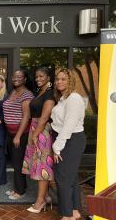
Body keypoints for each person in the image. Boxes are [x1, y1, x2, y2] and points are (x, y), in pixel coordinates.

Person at [51, 69, 86, 220]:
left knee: (63, 178)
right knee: (70, 178)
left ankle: (67, 214)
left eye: (63, 79)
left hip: (70, 141)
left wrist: (56, 147)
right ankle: (75, 211)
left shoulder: (74, 98)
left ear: (70, 80)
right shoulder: (63, 98)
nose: (59, 82)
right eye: (58, 79)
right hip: (65, 139)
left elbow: (68, 126)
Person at [22, 67, 55, 212]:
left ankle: (40, 201)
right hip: (35, 129)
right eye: (36, 77)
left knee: (43, 167)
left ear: (48, 77)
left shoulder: (50, 94)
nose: (38, 79)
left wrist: (35, 135)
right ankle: (46, 197)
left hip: (42, 131)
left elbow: (44, 118)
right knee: (37, 164)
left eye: (41, 76)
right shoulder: (40, 92)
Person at [3, 70, 34, 200]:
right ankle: (19, 187)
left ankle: (20, 192)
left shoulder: (26, 94)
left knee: (17, 163)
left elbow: (26, 116)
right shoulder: (14, 92)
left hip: (20, 134)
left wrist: (18, 136)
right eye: (14, 76)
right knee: (15, 162)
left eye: (20, 76)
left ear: (25, 79)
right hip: (10, 133)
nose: (16, 78)